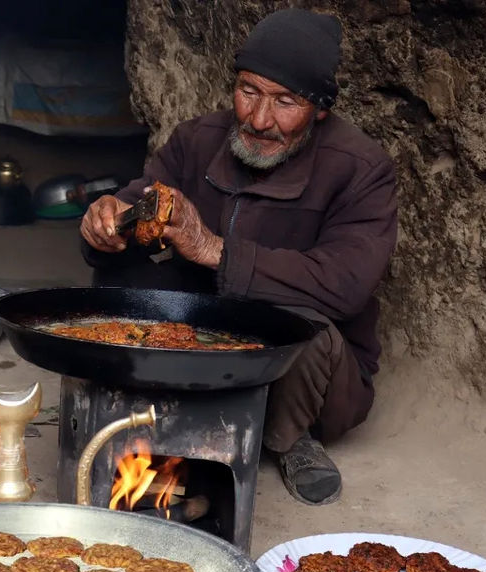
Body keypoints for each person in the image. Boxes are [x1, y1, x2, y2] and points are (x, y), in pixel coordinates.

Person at [79, 9, 398, 506]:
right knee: (127, 280)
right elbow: (138, 202)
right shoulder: (198, 139)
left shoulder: (361, 169)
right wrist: (106, 223)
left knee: (302, 325)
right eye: (248, 91)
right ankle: (159, 413)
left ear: (320, 110)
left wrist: (213, 251)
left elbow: (344, 285)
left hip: (300, 361)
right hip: (207, 338)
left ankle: (291, 439)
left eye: (285, 102)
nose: (258, 119)